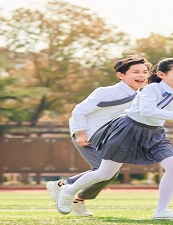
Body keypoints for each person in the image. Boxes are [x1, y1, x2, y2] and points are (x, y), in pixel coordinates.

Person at [55, 58, 173, 220]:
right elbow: (148, 111)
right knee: (105, 173)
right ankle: (69, 190)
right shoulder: (151, 89)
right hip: (128, 130)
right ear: (161, 74)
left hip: (154, 133)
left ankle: (161, 211)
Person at [46, 55, 151, 216]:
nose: (142, 75)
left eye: (145, 72)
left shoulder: (140, 97)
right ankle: (67, 190)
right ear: (120, 75)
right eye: (136, 71)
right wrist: (80, 134)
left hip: (108, 138)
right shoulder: (106, 92)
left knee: (108, 173)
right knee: (104, 171)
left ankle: (67, 191)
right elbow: (79, 111)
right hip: (87, 134)